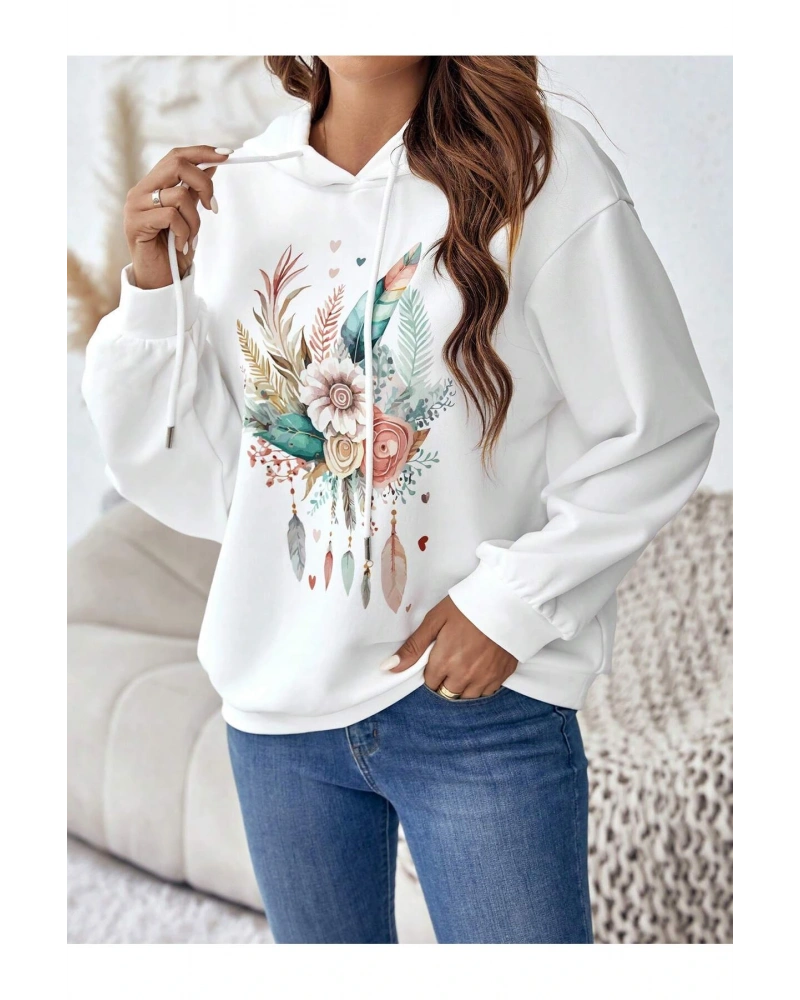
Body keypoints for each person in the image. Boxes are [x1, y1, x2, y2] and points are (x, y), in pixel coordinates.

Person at [81, 56, 719, 944]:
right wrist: (155, 289)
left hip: (475, 712)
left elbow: (659, 423)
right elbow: (207, 474)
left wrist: (510, 607)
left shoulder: (538, 169)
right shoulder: (238, 193)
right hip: (279, 716)